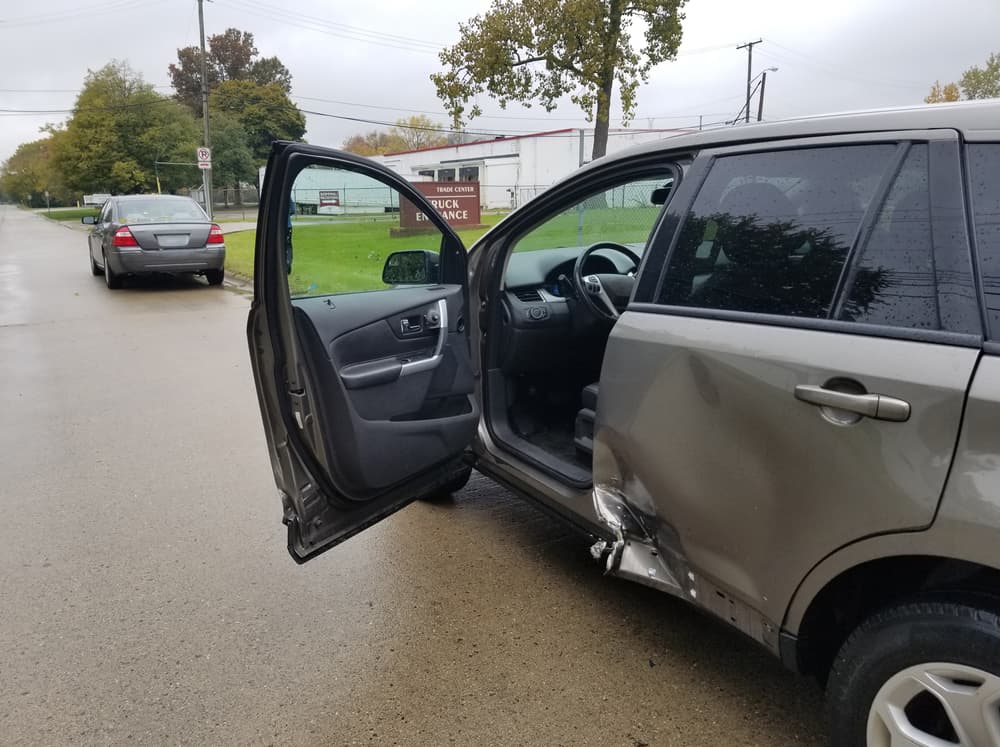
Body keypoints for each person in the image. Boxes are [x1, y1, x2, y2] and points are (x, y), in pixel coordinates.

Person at [285, 197, 295, 274]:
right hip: (288, 226)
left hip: (281, 227)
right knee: (288, 245)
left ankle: (286, 263)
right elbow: (292, 210)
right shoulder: (287, 196)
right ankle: (288, 263)